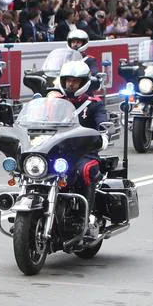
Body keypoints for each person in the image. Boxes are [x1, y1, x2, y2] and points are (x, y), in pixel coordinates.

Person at [54, 59, 108, 234]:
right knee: (33, 169)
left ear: (84, 82)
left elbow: (103, 122)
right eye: (68, 80)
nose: (70, 84)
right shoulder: (55, 102)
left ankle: (85, 216)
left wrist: (103, 132)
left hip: (85, 152)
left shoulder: (94, 104)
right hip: (57, 151)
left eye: (75, 81)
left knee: (85, 170)